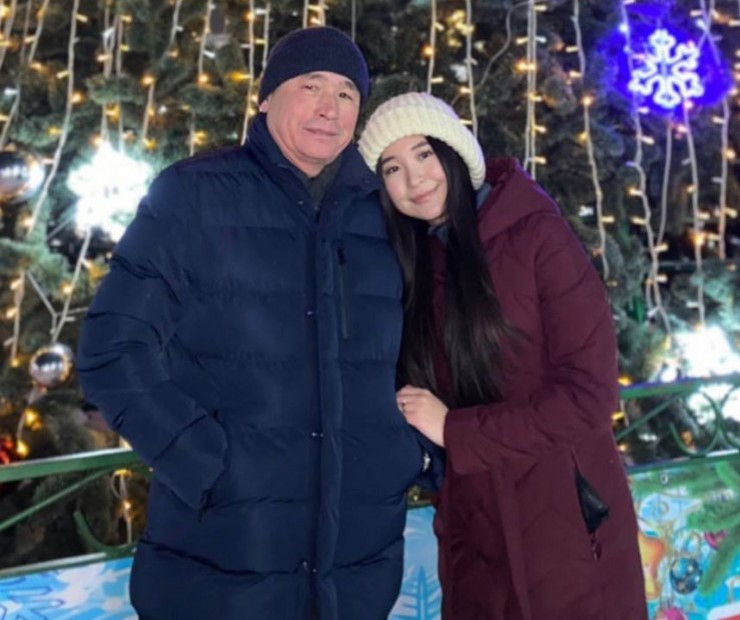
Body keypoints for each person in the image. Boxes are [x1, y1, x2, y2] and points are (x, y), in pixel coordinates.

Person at [77, 28, 438, 620]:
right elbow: (111, 349)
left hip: (359, 564)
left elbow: (432, 344)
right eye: (310, 86)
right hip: (221, 559)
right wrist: (204, 462)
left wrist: (406, 456)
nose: (329, 107)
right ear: (267, 97)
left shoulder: (388, 211)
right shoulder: (193, 194)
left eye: (347, 93)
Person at [358, 92, 647, 619]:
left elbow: (590, 396)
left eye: (424, 153)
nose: (414, 179)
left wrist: (456, 431)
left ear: (455, 152)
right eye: (392, 168)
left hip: (566, 520)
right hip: (475, 532)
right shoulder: (415, 262)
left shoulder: (537, 234)